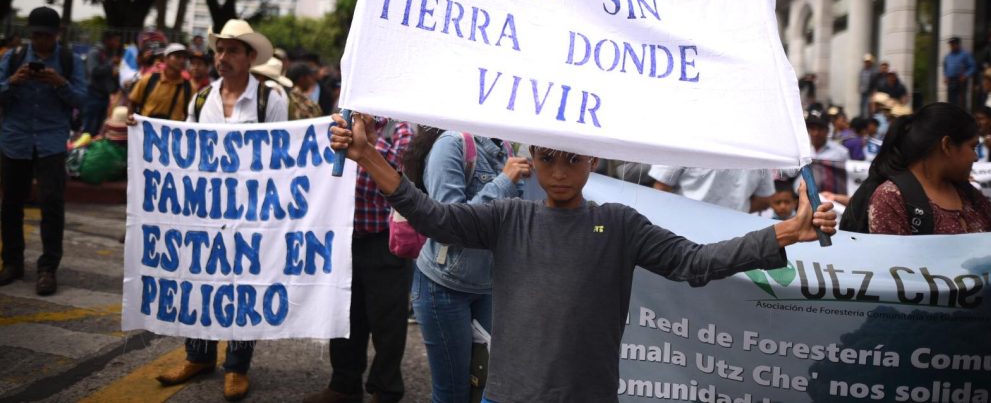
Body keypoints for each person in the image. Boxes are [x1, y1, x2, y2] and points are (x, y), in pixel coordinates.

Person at [330, 113, 836, 402]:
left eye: (573, 158)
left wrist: (787, 232)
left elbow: (695, 262)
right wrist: (369, 156)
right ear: (533, 156)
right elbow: (433, 216)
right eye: (548, 157)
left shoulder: (618, 223)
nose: (559, 171)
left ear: (593, 160)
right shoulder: (508, 217)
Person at [153, 19, 286, 401]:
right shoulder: (201, 99)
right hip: (205, 211)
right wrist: (142, 129)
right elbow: (186, 151)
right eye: (219, 50)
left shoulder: (269, 99)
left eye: (231, 50)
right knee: (201, 278)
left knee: (243, 285)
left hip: (251, 212)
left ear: (249, 57)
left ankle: (237, 366)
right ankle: (199, 355)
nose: (222, 57)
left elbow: (281, 158)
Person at [409, 128, 530, 403]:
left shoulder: (508, 150)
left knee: (487, 384)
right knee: (452, 392)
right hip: (443, 287)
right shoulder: (451, 145)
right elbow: (448, 224)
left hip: (488, 286)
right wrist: (504, 180)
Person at [304, 118, 415, 403]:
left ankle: (386, 390)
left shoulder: (400, 130)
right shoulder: (339, 123)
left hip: (385, 240)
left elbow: (400, 178)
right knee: (343, 313)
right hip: (344, 239)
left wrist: (368, 144)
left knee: (387, 324)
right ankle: (344, 384)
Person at [0, 6, 87, 295]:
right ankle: (12, 262)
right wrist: (13, 82)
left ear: (57, 35)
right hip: (16, 139)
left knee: (52, 205)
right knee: (11, 203)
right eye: (36, 35)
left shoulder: (70, 61)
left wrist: (59, 83)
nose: (40, 42)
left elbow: (82, 100)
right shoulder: (12, 58)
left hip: (51, 140)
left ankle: (48, 268)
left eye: (46, 36)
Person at [841, 102, 991, 235]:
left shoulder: (967, 192)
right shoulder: (891, 199)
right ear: (946, 145)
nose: (975, 157)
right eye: (972, 147)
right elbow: (895, 275)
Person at [648, 166, 774, 213]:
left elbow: (662, 186)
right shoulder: (759, 151)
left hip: (682, 227)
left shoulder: (687, 136)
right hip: (732, 233)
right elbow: (764, 199)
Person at [128, 43, 191, 120]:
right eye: (177, 57)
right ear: (165, 59)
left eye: (184, 58)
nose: (182, 61)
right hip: (146, 130)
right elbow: (132, 103)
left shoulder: (189, 87)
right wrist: (130, 121)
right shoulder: (148, 80)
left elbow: (190, 114)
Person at [805, 108, 851, 206]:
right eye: (813, 129)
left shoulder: (841, 152)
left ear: (827, 130)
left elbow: (846, 180)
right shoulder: (803, 151)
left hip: (833, 203)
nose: (816, 133)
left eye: (820, 129)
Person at [82, 30, 122, 135]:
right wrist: (110, 65)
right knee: (89, 129)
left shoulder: (110, 54)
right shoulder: (95, 52)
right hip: (93, 95)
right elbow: (93, 71)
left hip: (104, 96)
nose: (118, 44)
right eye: (115, 41)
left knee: (99, 129)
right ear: (107, 40)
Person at [942, 36, 976, 108]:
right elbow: (945, 67)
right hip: (951, 81)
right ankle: (951, 116)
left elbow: (973, 67)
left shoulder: (965, 54)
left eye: (953, 44)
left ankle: (962, 117)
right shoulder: (948, 56)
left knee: (961, 101)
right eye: (950, 44)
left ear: (958, 44)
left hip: (960, 80)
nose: (951, 46)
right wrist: (945, 76)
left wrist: (966, 75)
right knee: (950, 101)